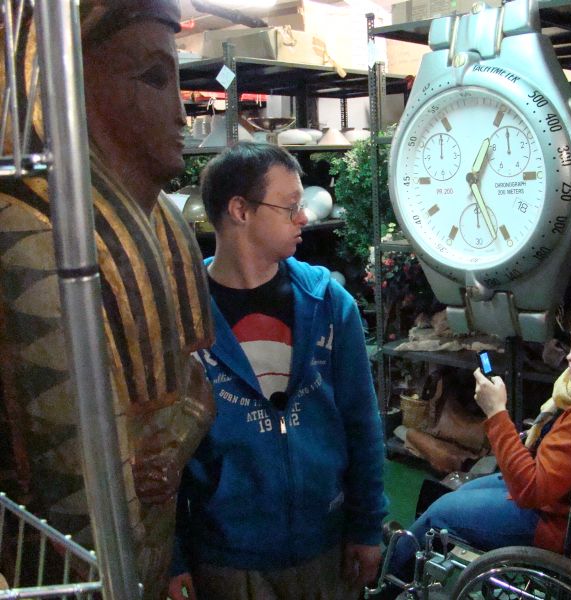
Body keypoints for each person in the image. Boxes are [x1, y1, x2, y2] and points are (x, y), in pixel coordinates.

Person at [0, 2, 214, 598]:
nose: (181, 114)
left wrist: (176, 443)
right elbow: (68, 482)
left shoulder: (167, 224)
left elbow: (195, 380)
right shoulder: (28, 235)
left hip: (150, 544)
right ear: (69, 85)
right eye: (152, 78)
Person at [168, 142, 387, 600]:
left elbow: (362, 424)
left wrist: (367, 525)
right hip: (227, 557)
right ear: (240, 211)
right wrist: (175, 557)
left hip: (326, 545)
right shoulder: (181, 316)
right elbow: (163, 447)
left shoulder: (329, 304)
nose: (303, 217)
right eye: (289, 207)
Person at [387, 293, 571, 576]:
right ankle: (404, 555)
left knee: (439, 513)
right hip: (568, 503)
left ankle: (386, 579)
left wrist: (496, 412)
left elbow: (529, 491)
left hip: (550, 522)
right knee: (460, 491)